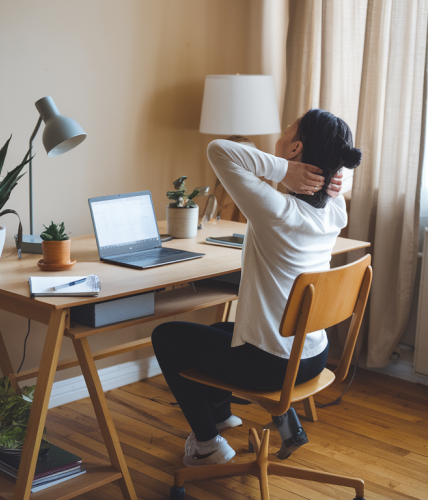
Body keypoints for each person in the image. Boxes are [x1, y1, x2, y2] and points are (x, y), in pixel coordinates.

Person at [151, 109, 362, 467]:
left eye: (286, 132)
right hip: (312, 357)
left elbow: (219, 150)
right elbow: (339, 183)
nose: (278, 138)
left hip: (273, 367)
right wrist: (332, 178)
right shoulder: (334, 212)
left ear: (294, 150)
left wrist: (283, 171)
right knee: (220, 331)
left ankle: (207, 445)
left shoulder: (276, 210)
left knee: (165, 337)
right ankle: (220, 417)